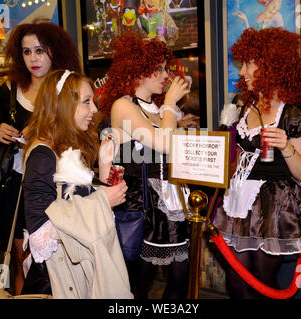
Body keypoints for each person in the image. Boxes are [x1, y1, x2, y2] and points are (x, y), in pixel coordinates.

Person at [212, 27, 301, 299]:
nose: (242, 72)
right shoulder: (246, 107)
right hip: (238, 203)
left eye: (249, 63)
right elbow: (237, 157)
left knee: (262, 282)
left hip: (274, 210)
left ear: (271, 65)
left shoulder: (294, 113)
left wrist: (285, 146)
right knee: (237, 283)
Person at [0, 21, 83, 295]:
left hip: (59, 184)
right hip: (18, 184)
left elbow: (85, 131)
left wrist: (43, 134)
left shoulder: (68, 87)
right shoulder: (10, 89)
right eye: (27, 52)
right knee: (22, 258)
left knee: (62, 258)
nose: (33, 59)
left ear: (55, 51)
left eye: (39, 50)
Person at [21, 70, 131, 298]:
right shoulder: (43, 156)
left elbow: (73, 200)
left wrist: (103, 174)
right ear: (62, 104)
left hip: (78, 270)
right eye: (86, 102)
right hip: (59, 277)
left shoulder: (65, 146)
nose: (94, 109)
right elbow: (40, 234)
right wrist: (102, 201)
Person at [100, 32, 191, 299]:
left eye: (166, 68)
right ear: (138, 70)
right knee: (138, 284)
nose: (166, 75)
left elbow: (172, 147)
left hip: (171, 201)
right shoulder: (123, 106)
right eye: (159, 68)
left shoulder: (160, 108)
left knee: (180, 279)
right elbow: (163, 144)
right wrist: (171, 106)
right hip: (140, 206)